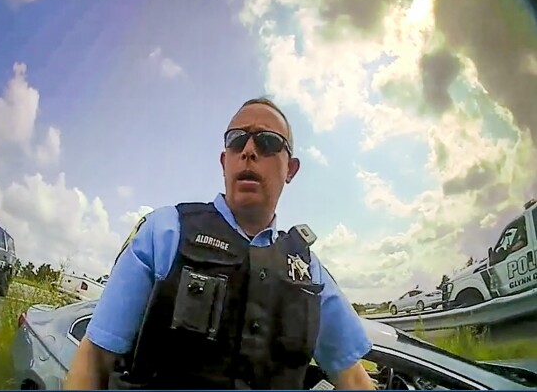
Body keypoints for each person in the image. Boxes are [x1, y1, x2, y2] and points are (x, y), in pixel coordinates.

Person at [64, 97, 375, 390]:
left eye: (267, 141)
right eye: (237, 139)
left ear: (290, 169)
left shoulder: (308, 273)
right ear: (225, 161)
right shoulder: (165, 233)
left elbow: (354, 379)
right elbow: (94, 358)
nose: (249, 150)